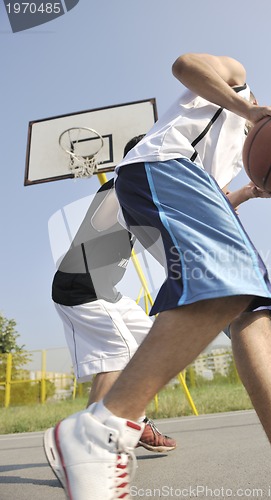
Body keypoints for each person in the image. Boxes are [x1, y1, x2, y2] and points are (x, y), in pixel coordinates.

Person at [44, 53, 271, 500]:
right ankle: (99, 431)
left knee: (250, 309)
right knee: (230, 282)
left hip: (187, 186)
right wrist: (249, 109)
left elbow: (216, 198)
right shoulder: (236, 87)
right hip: (161, 166)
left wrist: (251, 192)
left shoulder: (234, 160)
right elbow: (184, 64)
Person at [48, 135, 176, 453]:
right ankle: (82, 448)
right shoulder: (120, 184)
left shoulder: (141, 190)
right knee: (117, 354)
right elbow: (109, 219)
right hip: (81, 288)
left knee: (156, 342)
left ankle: (134, 416)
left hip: (106, 292)